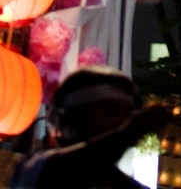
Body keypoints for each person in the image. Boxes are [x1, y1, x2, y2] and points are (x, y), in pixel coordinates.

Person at [10, 66, 167, 188]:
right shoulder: (36, 167)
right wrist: (127, 135)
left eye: (127, 115)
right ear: (73, 116)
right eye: (110, 112)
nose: (122, 122)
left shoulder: (122, 184)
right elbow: (61, 172)